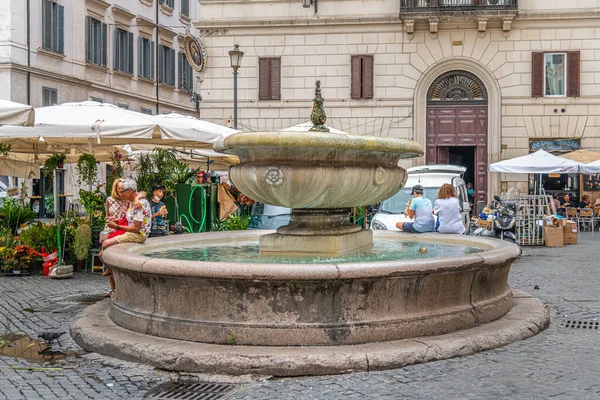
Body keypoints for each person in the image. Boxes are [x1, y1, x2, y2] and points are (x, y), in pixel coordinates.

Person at [100, 179, 152, 296]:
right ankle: (113, 274)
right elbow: (129, 220)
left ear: (129, 191)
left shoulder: (139, 204)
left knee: (105, 245)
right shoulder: (134, 201)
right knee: (103, 253)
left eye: (123, 191)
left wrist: (117, 225)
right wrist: (117, 220)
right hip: (131, 232)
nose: (121, 194)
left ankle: (114, 274)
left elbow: (135, 229)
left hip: (136, 235)